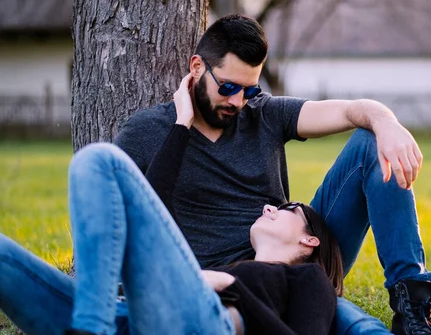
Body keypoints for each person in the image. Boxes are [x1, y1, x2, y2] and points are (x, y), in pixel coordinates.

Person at [115, 14, 431, 335]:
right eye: (227, 87)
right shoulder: (146, 132)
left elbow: (348, 110)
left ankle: (413, 310)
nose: (238, 101)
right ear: (197, 67)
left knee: (369, 142)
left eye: (249, 90)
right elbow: (127, 218)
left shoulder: (265, 114)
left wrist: (386, 122)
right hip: (223, 285)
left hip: (294, 263)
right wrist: (182, 124)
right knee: (349, 323)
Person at [0, 74, 344, 335]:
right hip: (129, 316)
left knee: (100, 158)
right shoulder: (235, 266)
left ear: (308, 240)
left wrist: (229, 287)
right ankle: (95, 321)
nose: (270, 206)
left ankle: (91, 327)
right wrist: (182, 124)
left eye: (286, 209)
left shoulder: (308, 278)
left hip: (202, 322)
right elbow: (155, 209)